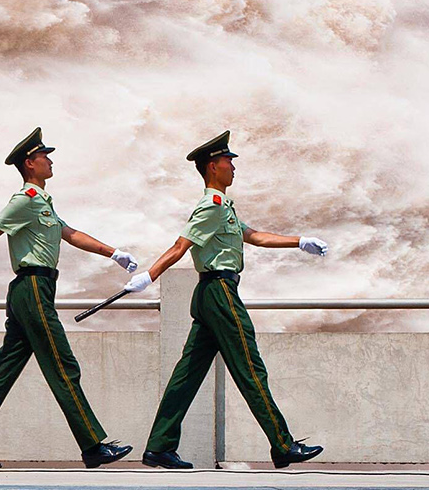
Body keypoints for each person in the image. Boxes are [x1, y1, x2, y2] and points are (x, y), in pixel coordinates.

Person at [119, 131, 328, 469]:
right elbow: (180, 247)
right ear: (213, 167)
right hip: (219, 293)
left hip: (210, 295)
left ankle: (159, 446)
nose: (234, 168)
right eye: (229, 162)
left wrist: (299, 241)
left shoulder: (224, 208)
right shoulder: (210, 208)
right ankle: (283, 444)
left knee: (187, 374)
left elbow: (254, 235)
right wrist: (149, 276)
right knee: (250, 367)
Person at [0, 128, 138, 470]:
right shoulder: (24, 199)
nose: (50, 160)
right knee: (63, 365)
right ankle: (92, 445)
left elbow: (69, 233)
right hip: (32, 288)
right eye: (45, 156)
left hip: (34, 290)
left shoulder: (42, 202)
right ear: (30, 163)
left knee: (4, 369)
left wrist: (113, 253)